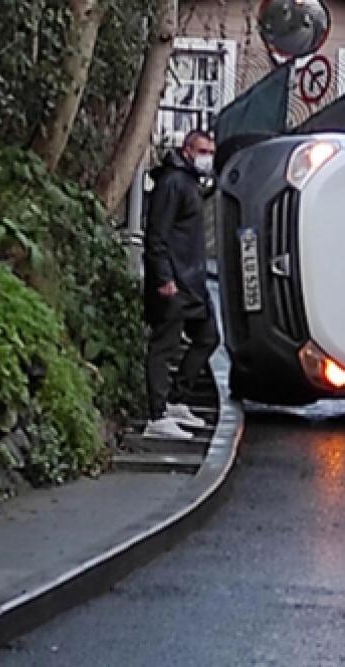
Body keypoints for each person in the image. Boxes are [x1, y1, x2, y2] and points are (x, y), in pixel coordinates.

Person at [143, 130, 221, 440]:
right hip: (175, 282)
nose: (208, 157)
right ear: (187, 150)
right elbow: (156, 235)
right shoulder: (173, 182)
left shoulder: (189, 183)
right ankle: (157, 414)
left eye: (211, 152)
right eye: (203, 151)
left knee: (208, 337)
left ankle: (176, 399)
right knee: (165, 345)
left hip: (192, 281)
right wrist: (164, 278)